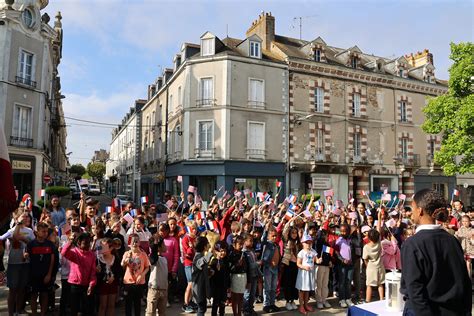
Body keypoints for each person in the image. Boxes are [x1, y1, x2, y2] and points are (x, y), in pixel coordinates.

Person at [400, 189, 471, 316]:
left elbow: (415, 291)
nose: (411, 213)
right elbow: (465, 282)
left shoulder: (412, 244)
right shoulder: (452, 240)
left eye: (413, 207)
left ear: (420, 210)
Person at [2, 212, 35, 316]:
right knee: (13, 290)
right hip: (13, 263)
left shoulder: (30, 231)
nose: (26, 217)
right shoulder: (11, 230)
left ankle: (18, 311)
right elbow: (1, 238)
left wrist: (26, 242)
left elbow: (34, 244)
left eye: (27, 216)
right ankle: (11, 313)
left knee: (22, 289)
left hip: (25, 263)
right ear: (17, 218)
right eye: (23, 216)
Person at [61, 232, 97, 316]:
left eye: (88, 243)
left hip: (86, 285)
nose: (87, 245)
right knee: (74, 308)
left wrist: (91, 285)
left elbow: (93, 272)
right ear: (79, 243)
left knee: (86, 309)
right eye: (85, 243)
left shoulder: (92, 255)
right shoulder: (74, 252)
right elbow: (63, 252)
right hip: (74, 284)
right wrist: (70, 242)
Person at [25, 222, 56, 316]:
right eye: (43, 231)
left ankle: (43, 314)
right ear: (37, 232)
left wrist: (49, 274)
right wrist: (25, 256)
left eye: (46, 231)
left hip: (45, 275)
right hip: (33, 275)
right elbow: (25, 256)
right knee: (33, 295)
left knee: (44, 295)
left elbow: (52, 260)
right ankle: (34, 314)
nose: (45, 233)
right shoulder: (30, 244)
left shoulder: (50, 244)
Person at [121, 233, 150, 316]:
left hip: (139, 282)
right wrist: (127, 259)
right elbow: (122, 265)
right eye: (132, 241)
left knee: (137, 304)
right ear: (129, 243)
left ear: (139, 242)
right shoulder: (127, 253)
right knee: (128, 305)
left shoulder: (143, 254)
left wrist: (142, 275)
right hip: (128, 282)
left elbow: (147, 267)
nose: (134, 243)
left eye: (136, 241)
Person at [295, 231, 319, 315]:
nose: (308, 244)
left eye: (309, 242)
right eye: (306, 242)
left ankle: (306, 304)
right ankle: (301, 306)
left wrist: (319, 260)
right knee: (302, 290)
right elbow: (298, 264)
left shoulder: (313, 251)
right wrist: (304, 267)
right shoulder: (301, 253)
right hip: (303, 274)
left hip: (310, 274)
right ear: (302, 243)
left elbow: (316, 260)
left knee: (307, 290)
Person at [96, 238, 122, 316]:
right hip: (102, 285)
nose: (102, 248)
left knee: (111, 305)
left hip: (113, 284)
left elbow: (119, 272)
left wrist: (113, 277)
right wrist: (97, 271)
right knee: (103, 306)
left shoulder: (115, 258)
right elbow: (96, 275)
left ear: (110, 248)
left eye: (104, 247)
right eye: (101, 246)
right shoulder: (98, 259)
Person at [146, 235, 168, 316]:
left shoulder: (164, 259)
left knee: (162, 312)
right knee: (150, 312)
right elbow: (153, 259)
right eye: (163, 244)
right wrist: (155, 245)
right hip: (154, 289)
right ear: (158, 247)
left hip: (164, 289)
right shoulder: (154, 258)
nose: (165, 246)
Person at [260, 226, 280, 313]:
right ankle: (266, 305)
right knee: (267, 288)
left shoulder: (276, 245)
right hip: (268, 268)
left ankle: (272, 303)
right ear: (268, 236)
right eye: (272, 236)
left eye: (275, 236)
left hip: (275, 269)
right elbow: (263, 239)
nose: (274, 237)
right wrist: (266, 230)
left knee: (273, 287)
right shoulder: (267, 244)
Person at [192, 236, 213, 316]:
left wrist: (209, 272)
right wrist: (209, 254)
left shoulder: (200, 255)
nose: (209, 245)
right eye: (208, 243)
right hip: (199, 288)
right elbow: (200, 263)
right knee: (201, 309)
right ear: (204, 246)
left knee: (202, 308)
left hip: (202, 287)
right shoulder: (198, 256)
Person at [362, 229, 385, 302]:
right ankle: (381, 299)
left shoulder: (366, 247)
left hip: (371, 267)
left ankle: (367, 300)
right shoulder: (379, 243)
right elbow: (378, 230)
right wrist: (379, 218)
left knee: (369, 285)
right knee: (380, 284)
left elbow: (365, 258)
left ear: (368, 237)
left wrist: (367, 265)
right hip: (380, 266)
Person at [335, 223, 354, 308]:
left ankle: (348, 298)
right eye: (341, 231)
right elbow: (336, 252)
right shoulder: (339, 240)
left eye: (345, 231)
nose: (343, 233)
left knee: (348, 281)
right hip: (341, 264)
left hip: (350, 264)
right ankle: (342, 299)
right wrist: (342, 260)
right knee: (342, 282)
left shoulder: (351, 239)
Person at [209, 241, 230, 316]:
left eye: (224, 251)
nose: (223, 253)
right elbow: (211, 275)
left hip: (224, 286)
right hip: (216, 287)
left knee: (222, 303)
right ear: (216, 251)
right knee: (215, 303)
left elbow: (227, 274)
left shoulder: (226, 261)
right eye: (221, 251)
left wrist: (228, 286)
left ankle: (222, 314)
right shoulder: (213, 261)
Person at [228, 235, 247, 316]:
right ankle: (235, 313)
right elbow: (229, 268)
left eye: (242, 244)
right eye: (239, 244)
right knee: (235, 297)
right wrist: (236, 265)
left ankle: (239, 313)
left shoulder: (244, 254)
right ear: (234, 245)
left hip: (243, 276)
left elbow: (247, 267)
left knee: (241, 297)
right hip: (235, 277)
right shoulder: (231, 255)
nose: (241, 246)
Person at [181, 220, 198, 313]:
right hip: (188, 264)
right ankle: (185, 303)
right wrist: (191, 248)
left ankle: (190, 301)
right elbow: (187, 253)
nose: (194, 231)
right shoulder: (185, 239)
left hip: (195, 263)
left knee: (193, 283)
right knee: (190, 283)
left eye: (195, 228)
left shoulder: (195, 238)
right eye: (193, 229)